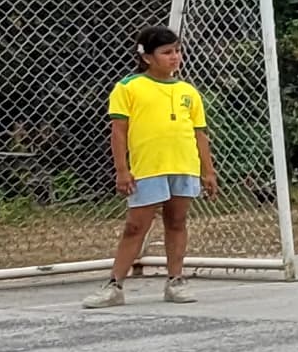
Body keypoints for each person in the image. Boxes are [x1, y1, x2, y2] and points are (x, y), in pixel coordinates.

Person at [88, 27, 215, 308]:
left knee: (177, 221)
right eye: (166, 52)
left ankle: (175, 280)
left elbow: (199, 133)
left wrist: (208, 171)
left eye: (177, 51)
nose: (174, 57)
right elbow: (119, 131)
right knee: (136, 226)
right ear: (147, 57)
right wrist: (122, 170)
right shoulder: (128, 87)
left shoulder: (188, 91)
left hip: (183, 164)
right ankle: (114, 285)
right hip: (147, 167)